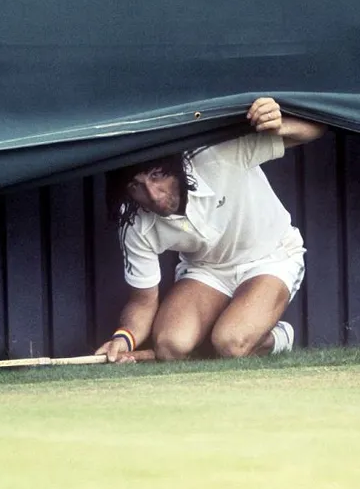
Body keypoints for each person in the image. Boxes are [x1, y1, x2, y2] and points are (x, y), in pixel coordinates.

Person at [95, 97, 326, 362]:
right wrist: (123, 337)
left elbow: (315, 129)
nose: (154, 196)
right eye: (136, 186)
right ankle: (226, 328)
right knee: (171, 346)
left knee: (230, 343)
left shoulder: (216, 154)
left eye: (158, 176)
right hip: (207, 271)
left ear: (176, 167)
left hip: (271, 257)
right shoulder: (133, 221)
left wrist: (278, 124)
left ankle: (278, 337)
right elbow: (142, 301)